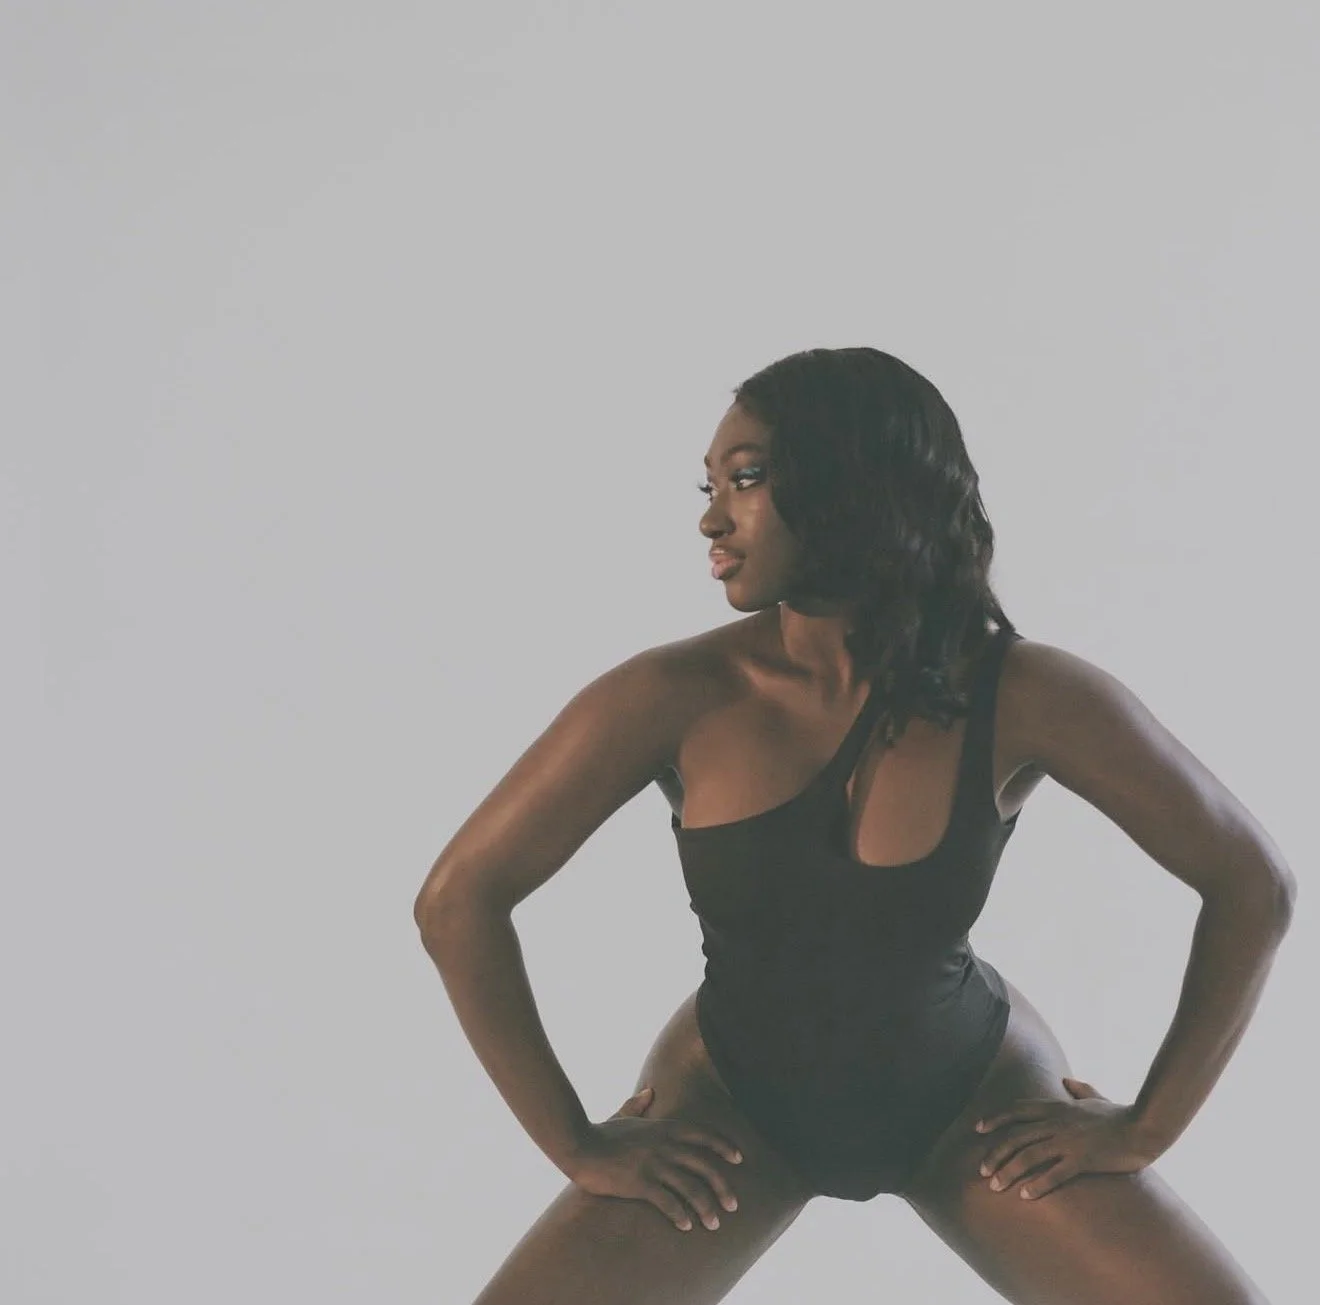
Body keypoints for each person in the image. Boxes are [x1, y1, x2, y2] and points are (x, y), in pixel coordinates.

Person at [414, 347, 1295, 1304]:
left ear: (852, 484)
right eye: (709, 486)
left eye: (747, 478)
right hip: (734, 1105)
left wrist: (1147, 1128)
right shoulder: (673, 694)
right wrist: (577, 1145)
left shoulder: (1028, 693)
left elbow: (1252, 883)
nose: (711, 518)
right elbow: (458, 900)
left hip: (966, 1097)